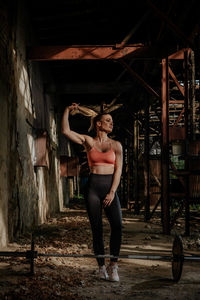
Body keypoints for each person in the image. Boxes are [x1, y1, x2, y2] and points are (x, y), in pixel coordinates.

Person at [61, 103, 123, 282]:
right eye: (108, 121)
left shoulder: (116, 145)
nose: (111, 123)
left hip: (109, 188)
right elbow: (66, 131)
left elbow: (118, 171)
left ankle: (114, 266)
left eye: (112, 121)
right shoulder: (89, 141)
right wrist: (67, 110)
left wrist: (112, 192)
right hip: (93, 189)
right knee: (97, 229)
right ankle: (101, 267)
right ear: (98, 124)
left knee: (117, 226)